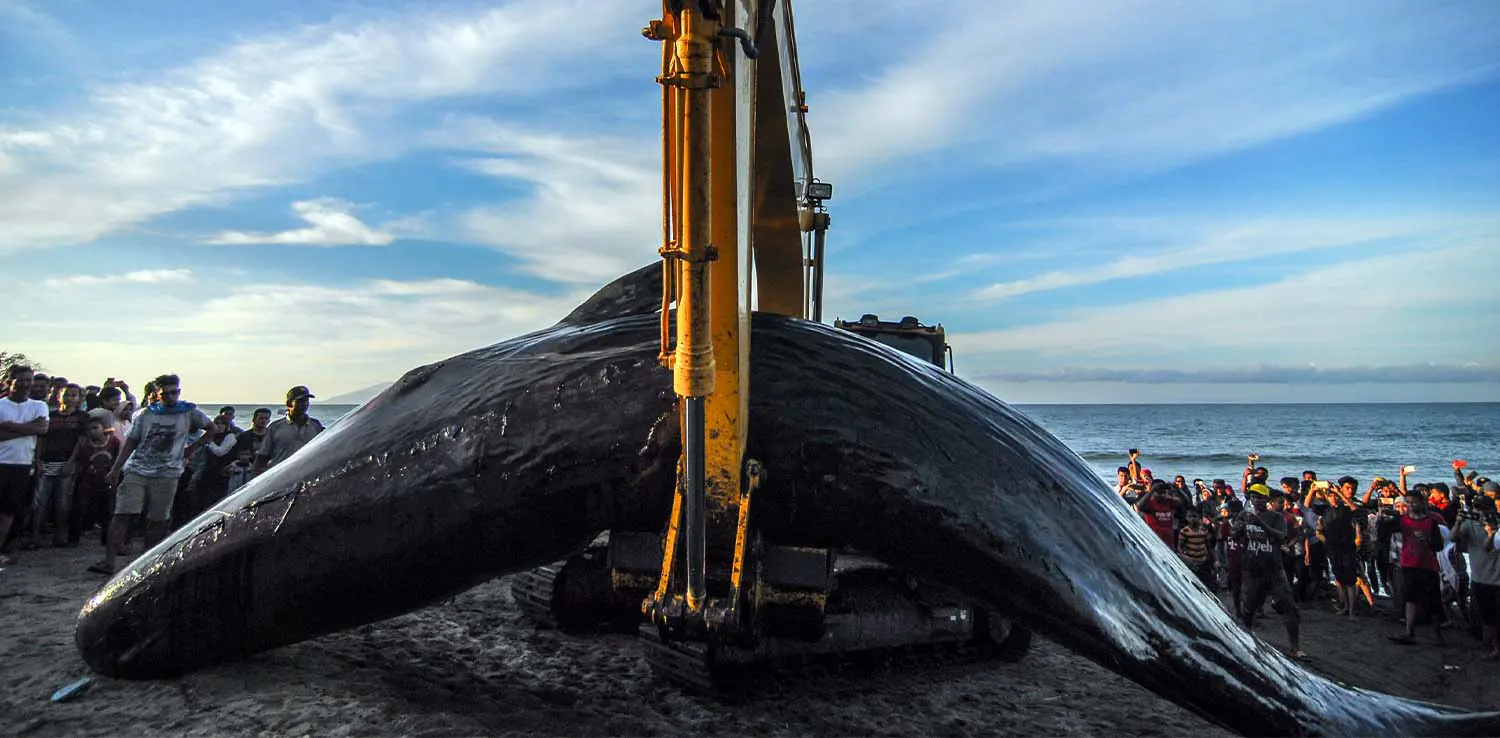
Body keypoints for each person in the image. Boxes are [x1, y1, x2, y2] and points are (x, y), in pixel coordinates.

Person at [96, 374, 215, 574]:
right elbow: (131, 442)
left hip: (168, 472)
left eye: (174, 392)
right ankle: (109, 561)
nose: (170, 397)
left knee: (158, 518)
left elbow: (211, 429)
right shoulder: (145, 414)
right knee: (123, 513)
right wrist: (116, 468)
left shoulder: (188, 412)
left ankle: (148, 563)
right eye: (165, 393)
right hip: (138, 468)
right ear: (156, 394)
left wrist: (191, 450)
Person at [1233, 483, 1303, 659]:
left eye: (1260, 497)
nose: (1256, 500)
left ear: (1267, 500)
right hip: (1252, 567)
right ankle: (1244, 641)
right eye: (1253, 497)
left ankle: (1295, 648)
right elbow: (1235, 535)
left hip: (1274, 568)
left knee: (1289, 607)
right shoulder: (1244, 514)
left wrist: (1261, 523)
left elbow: (1281, 537)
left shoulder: (1276, 517)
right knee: (1248, 608)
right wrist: (1238, 527)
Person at [1382, 490, 1447, 645]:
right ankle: (1409, 632)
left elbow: (1439, 546)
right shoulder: (1402, 520)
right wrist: (1383, 518)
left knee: (1433, 601)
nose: (1410, 505)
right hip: (1409, 564)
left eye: (1413, 502)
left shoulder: (1430, 522)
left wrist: (1427, 541)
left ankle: (1437, 635)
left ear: (1421, 502)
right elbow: (1384, 531)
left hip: (1428, 565)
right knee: (1410, 599)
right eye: (1408, 502)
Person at [0, 366, 49, 565]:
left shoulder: (39, 406)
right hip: (1, 462)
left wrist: (7, 426)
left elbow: (42, 429)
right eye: (21, 380)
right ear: (8, 382)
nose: (26, 384)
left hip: (21, 464)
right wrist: (29, 429)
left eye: (28, 380)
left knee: (9, 510)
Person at [1451, 498, 1500, 659]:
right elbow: (1453, 538)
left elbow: (1488, 546)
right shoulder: (1470, 525)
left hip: (1495, 578)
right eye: (1478, 510)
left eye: (1485, 510)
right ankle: (1494, 647)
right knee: (1488, 617)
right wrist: (1458, 522)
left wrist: (1492, 531)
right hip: (1480, 578)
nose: (1481, 514)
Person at [255, 386, 324, 472]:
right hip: (280, 476)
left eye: (306, 401)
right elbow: (262, 457)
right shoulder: (275, 427)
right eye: (300, 401)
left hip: (306, 475)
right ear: (289, 403)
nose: (304, 404)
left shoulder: (315, 426)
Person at [1322, 477, 1363, 619]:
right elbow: (1307, 505)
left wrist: (1339, 493)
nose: (1333, 498)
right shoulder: (1326, 510)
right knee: (1339, 577)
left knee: (1351, 580)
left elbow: (1354, 509)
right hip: (1333, 547)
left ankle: (1352, 611)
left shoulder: (1346, 508)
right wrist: (1316, 489)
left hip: (1347, 547)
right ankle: (1346, 606)